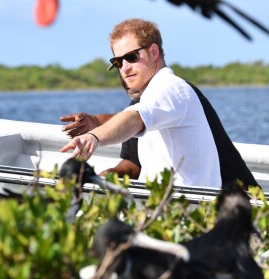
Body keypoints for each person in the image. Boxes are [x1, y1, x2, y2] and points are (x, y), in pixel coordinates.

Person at [60, 18, 222, 188]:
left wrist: (93, 137)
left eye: (131, 57)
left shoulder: (170, 88)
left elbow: (135, 118)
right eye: (118, 62)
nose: (124, 68)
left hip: (184, 207)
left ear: (154, 52)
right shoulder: (153, 95)